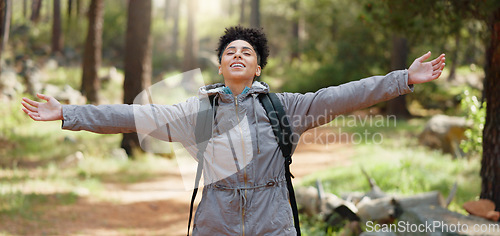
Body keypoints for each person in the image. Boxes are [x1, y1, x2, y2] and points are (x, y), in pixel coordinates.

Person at [21, 26, 445, 235]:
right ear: (221, 66)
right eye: (230, 52)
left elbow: (344, 95)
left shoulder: (286, 107)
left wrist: (402, 79)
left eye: (247, 52)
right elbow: (131, 117)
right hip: (216, 219)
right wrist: (67, 113)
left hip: (273, 217)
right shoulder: (197, 111)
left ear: (257, 66)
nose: (238, 55)